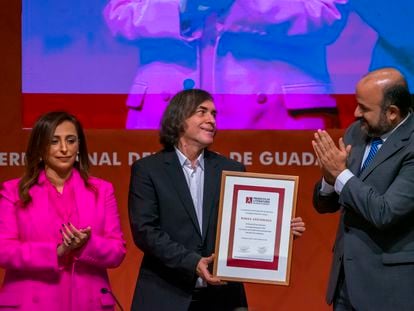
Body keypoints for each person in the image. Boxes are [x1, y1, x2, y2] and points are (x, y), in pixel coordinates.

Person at [128, 89, 306, 311]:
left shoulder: (231, 170)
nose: (211, 120)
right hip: (166, 294)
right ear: (179, 117)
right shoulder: (148, 170)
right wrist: (193, 263)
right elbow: (146, 232)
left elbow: (243, 228)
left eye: (214, 114)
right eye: (202, 112)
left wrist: (278, 232)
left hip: (223, 297)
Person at [104, 0, 348, 129]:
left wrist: (242, 4)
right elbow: (120, 15)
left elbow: (329, 14)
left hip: (278, 113)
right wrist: (182, 6)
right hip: (166, 110)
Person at [0, 111, 126, 310]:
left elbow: (117, 251)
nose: (64, 149)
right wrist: (55, 252)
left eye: (71, 140)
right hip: (31, 302)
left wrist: (86, 245)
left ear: (79, 146)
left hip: (88, 302)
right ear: (40, 147)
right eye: (54, 141)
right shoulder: (13, 191)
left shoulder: (102, 190)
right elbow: (4, 250)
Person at [312, 68, 414, 310]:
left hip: (389, 290)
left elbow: (385, 212)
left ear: (392, 113)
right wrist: (328, 179)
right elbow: (326, 204)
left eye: (365, 108)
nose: (356, 113)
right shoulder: (355, 133)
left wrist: (340, 174)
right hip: (345, 283)